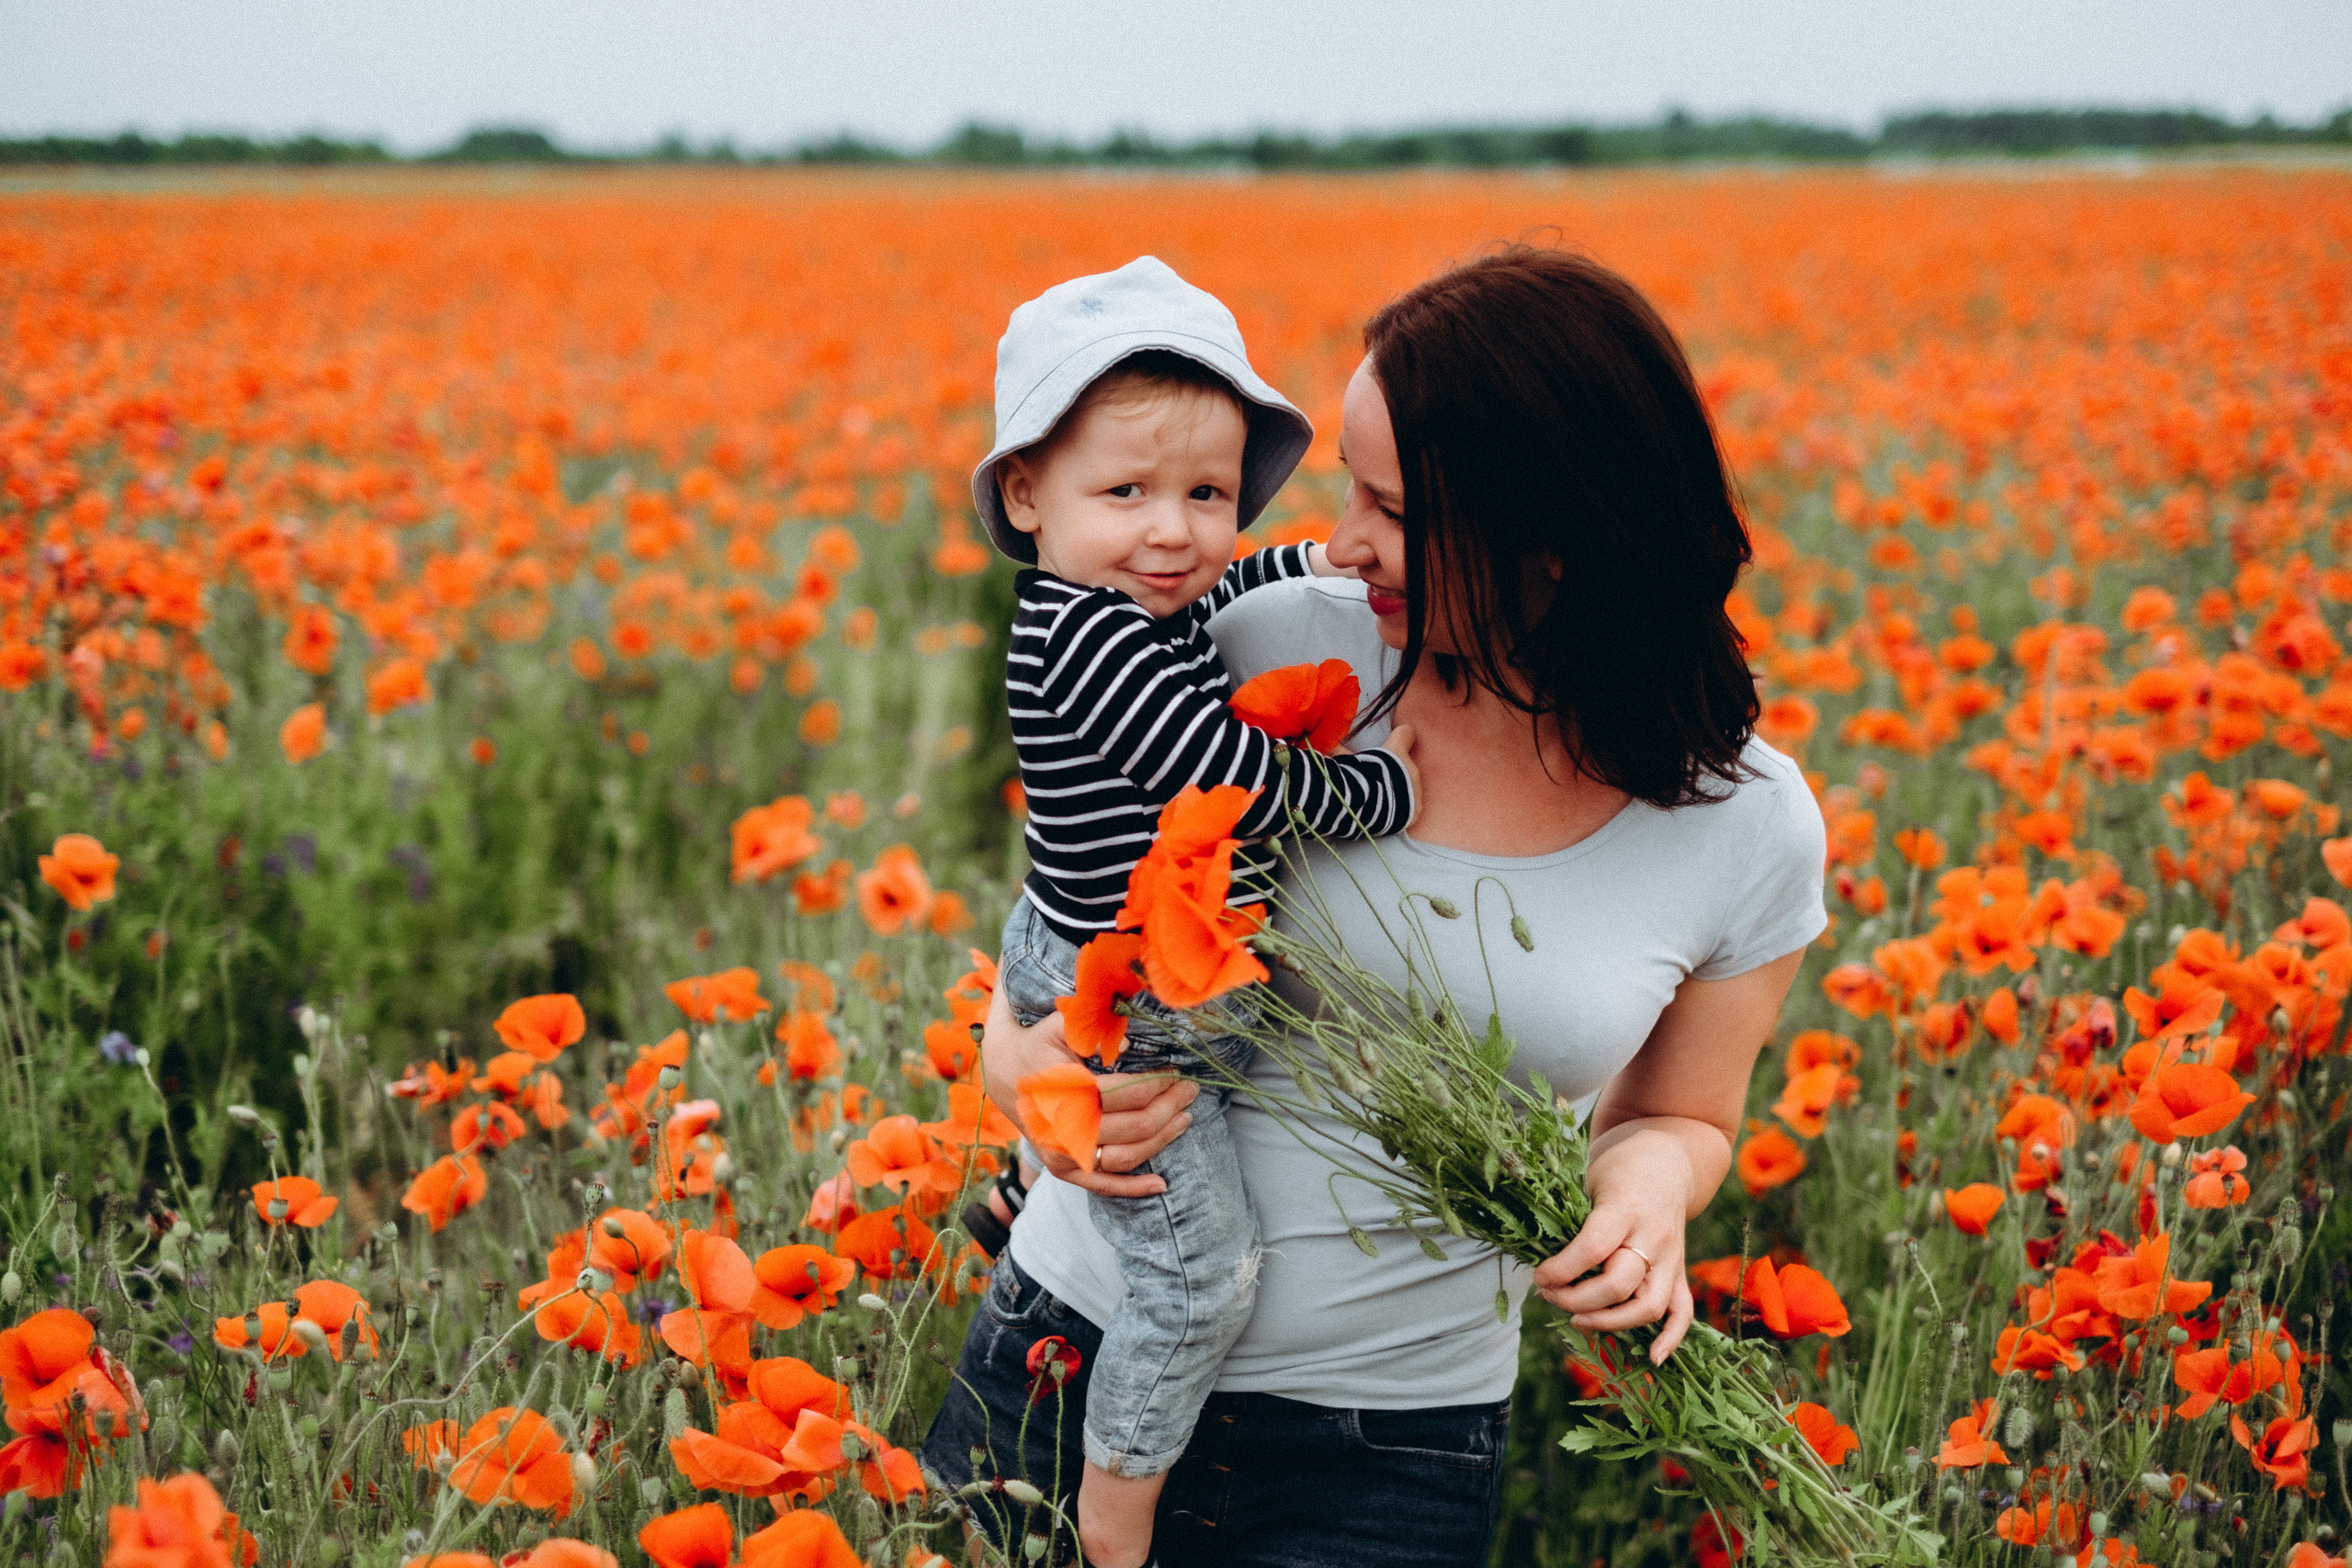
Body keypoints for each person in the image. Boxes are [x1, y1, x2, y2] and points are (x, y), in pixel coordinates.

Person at [923, 246, 1829, 1568]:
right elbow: (1087, 880)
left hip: (1389, 1453)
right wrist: (1018, 1061)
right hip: (1069, 1357)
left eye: (1389, 506)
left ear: (1557, 540)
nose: (1338, 543)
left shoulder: (1746, 826)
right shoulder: (1286, 637)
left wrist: (1646, 1191)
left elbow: (1686, 1115)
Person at [972, 255, 1422, 1568]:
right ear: (1025, 493)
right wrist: (1365, 794)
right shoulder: (1087, 637)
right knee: (1200, 1276)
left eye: (1208, 494)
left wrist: (1289, 558)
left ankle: (1018, 1177)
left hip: (1104, 940)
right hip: (1135, 994)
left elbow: (1214, 590)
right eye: (1127, 493)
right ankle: (1116, 1506)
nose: (1174, 531)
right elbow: (1217, 771)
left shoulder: (1120, 599)